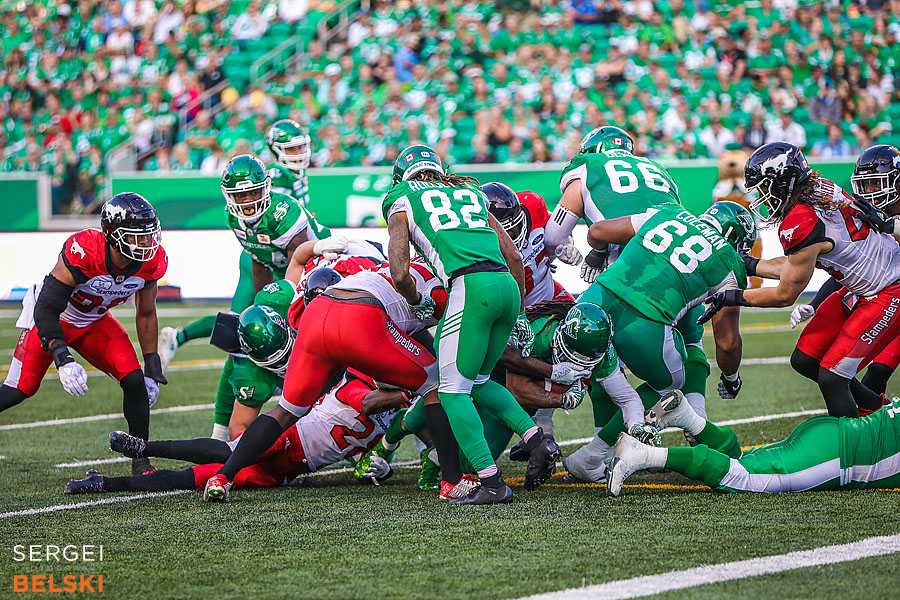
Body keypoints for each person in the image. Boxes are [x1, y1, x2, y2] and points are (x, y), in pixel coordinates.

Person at [200, 249, 459, 503]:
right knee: (435, 384)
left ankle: (223, 477)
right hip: (362, 318)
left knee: (284, 411)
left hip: (319, 312)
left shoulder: (388, 262)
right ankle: (451, 480)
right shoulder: (451, 287)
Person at [383, 144, 561, 505]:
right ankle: (537, 439)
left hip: (470, 286)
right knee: (478, 381)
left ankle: (490, 481)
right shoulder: (467, 189)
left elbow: (400, 273)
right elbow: (512, 253)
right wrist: (522, 314)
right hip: (507, 288)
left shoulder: (400, 198)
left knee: (450, 391)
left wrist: (417, 302)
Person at [700, 142, 900, 419]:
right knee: (805, 360)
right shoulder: (818, 189)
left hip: (888, 291)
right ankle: (882, 413)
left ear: (782, 182)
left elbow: (785, 294)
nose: (762, 197)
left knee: (833, 377)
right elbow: (796, 263)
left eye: (764, 188)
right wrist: (748, 265)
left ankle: (852, 454)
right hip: (862, 285)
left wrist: (730, 296)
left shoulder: (801, 221)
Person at [565, 201, 754, 482]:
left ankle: (536, 436)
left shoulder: (669, 212)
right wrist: (731, 377)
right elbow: (726, 343)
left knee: (575, 365)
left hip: (592, 302)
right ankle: (596, 452)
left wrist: (596, 254)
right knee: (670, 384)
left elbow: (598, 231)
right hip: (642, 324)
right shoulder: (727, 261)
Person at [0, 193, 168, 475]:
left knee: (135, 380)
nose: (146, 244)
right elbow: (46, 308)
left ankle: (141, 460)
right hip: (56, 317)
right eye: (136, 236)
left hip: (94, 321)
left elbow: (146, 313)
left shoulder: (152, 262)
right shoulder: (86, 249)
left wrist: (152, 364)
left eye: (148, 235)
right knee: (20, 389)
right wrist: (62, 357)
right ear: (113, 235)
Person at [64, 370, 408, 497]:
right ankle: (142, 446)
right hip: (289, 438)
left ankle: (103, 482)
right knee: (227, 454)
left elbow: (366, 455)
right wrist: (414, 390)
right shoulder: (361, 387)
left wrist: (383, 467)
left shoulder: (393, 415)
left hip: (286, 474)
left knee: (190, 480)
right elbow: (369, 402)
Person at [158, 154, 330, 377]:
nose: (248, 200)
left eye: (253, 192)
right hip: (266, 261)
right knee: (243, 322)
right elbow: (258, 259)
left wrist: (277, 302)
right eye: (240, 195)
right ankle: (188, 343)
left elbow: (301, 260)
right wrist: (263, 302)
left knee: (295, 319)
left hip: (313, 265)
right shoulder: (233, 216)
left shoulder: (283, 208)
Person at [607, 391, 900, 496]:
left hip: (830, 433)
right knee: (742, 477)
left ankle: (689, 418)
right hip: (839, 458)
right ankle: (644, 454)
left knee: (743, 461)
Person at [789, 145, 900, 397]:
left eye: (876, 183)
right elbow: (851, 269)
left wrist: (891, 226)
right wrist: (816, 304)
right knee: (861, 373)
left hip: (894, 297)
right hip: (884, 297)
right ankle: (876, 417)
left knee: (877, 370)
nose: (869, 192)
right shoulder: (872, 215)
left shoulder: (884, 218)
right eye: (865, 184)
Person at [483, 182, 574, 443]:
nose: (511, 232)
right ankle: (537, 428)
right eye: (504, 230)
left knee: (586, 340)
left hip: (549, 298)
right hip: (512, 313)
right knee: (516, 373)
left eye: (514, 225)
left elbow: (558, 233)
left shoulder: (533, 203)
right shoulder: (481, 246)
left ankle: (544, 421)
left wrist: (563, 246)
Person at [266, 119, 313, 204]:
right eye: (291, 149)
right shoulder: (277, 177)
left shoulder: (298, 170)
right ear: (276, 150)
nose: (298, 153)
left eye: (300, 147)